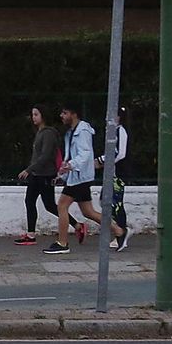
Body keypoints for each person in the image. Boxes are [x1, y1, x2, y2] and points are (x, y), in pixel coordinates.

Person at [44, 101, 124, 254]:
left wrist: (72, 165)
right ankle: (119, 231)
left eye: (65, 113)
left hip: (79, 176)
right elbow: (71, 155)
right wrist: (64, 171)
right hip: (77, 176)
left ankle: (62, 243)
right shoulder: (72, 132)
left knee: (61, 205)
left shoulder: (83, 131)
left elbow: (85, 153)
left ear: (74, 114)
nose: (62, 116)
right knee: (88, 212)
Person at [14, 105, 75, 245]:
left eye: (36, 114)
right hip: (37, 174)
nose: (33, 117)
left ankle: (76, 225)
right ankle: (30, 235)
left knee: (49, 205)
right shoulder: (40, 132)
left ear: (43, 116)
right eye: (32, 114)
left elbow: (46, 156)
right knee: (30, 201)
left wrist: (29, 169)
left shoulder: (48, 133)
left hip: (45, 174)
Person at [97, 106, 132, 251]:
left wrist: (101, 160)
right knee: (106, 201)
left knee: (115, 204)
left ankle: (121, 233)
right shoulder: (113, 131)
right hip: (111, 173)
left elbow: (119, 153)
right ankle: (120, 231)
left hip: (117, 174)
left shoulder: (120, 131)